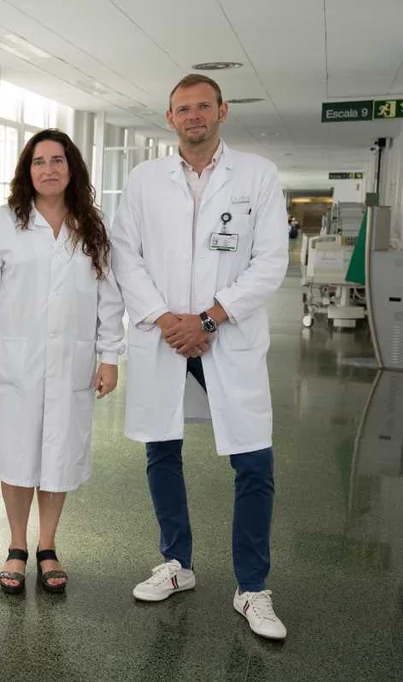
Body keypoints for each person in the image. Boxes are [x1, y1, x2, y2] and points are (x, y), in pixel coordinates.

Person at [109, 74, 289, 640]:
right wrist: (167, 320)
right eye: (182, 109)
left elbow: (270, 261)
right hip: (165, 337)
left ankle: (252, 588)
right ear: (169, 118)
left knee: (253, 461)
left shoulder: (257, 175)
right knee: (163, 450)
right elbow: (124, 255)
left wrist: (209, 317)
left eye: (203, 107)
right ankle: (178, 565)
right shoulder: (144, 180)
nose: (193, 116)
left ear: (222, 111)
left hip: (225, 336)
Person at [0, 129, 124, 595]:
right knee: (16, 454)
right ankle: (16, 545)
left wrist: (109, 356)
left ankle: (48, 546)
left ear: (71, 168)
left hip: (70, 359)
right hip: (14, 359)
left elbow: (109, 297)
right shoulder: (4, 222)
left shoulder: (92, 224)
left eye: (57, 160)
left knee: (58, 456)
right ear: (26, 171)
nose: (48, 169)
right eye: (39, 161)